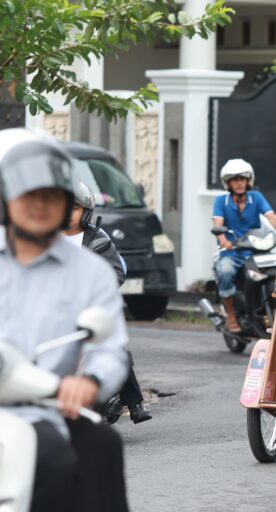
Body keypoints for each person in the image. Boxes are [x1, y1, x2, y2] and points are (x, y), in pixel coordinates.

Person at [0, 128, 129, 512]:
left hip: (53, 407)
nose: (40, 204)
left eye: (52, 195)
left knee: (102, 446)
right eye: (29, 194)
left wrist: (89, 381)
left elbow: (111, 349)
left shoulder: (91, 272)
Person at [63, 181, 152, 424]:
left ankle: (134, 404)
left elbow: (118, 269)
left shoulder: (96, 237)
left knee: (115, 349)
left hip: (92, 311)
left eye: (74, 208)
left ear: (86, 211)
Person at [212, 158, 276, 333]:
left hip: (255, 250)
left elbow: (272, 217)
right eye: (234, 180)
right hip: (232, 252)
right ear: (228, 183)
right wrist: (223, 240)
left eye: (242, 179)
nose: (238, 183)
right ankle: (231, 315)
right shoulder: (221, 201)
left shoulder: (256, 197)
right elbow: (218, 223)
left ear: (248, 181)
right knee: (225, 271)